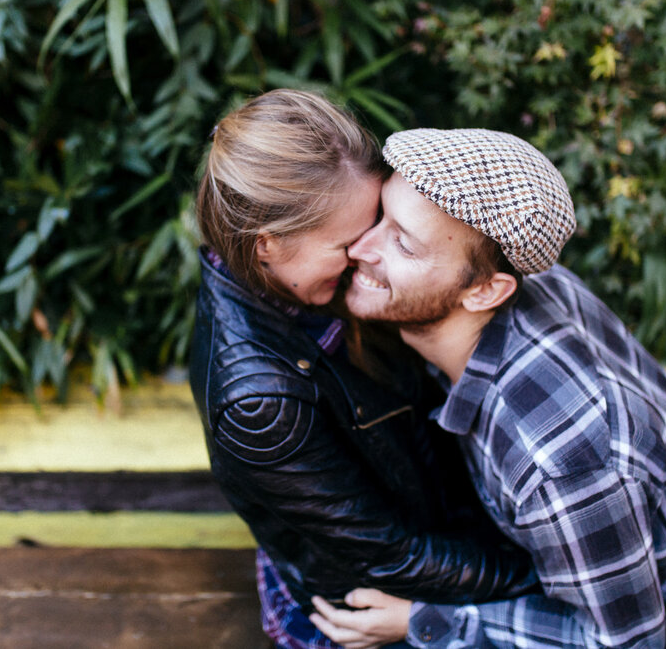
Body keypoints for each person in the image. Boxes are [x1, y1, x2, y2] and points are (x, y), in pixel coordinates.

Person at [309, 128, 666, 648]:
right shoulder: (531, 280)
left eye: (403, 243)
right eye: (380, 218)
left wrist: (422, 621)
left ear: (485, 291)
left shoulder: (559, 461)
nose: (360, 247)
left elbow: (624, 643)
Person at [188, 93, 536, 648]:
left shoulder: (297, 287)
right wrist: (545, 581)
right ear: (267, 246)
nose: (370, 250)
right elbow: (391, 554)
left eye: (378, 224)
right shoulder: (259, 403)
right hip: (373, 607)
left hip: (443, 541)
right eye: (349, 243)